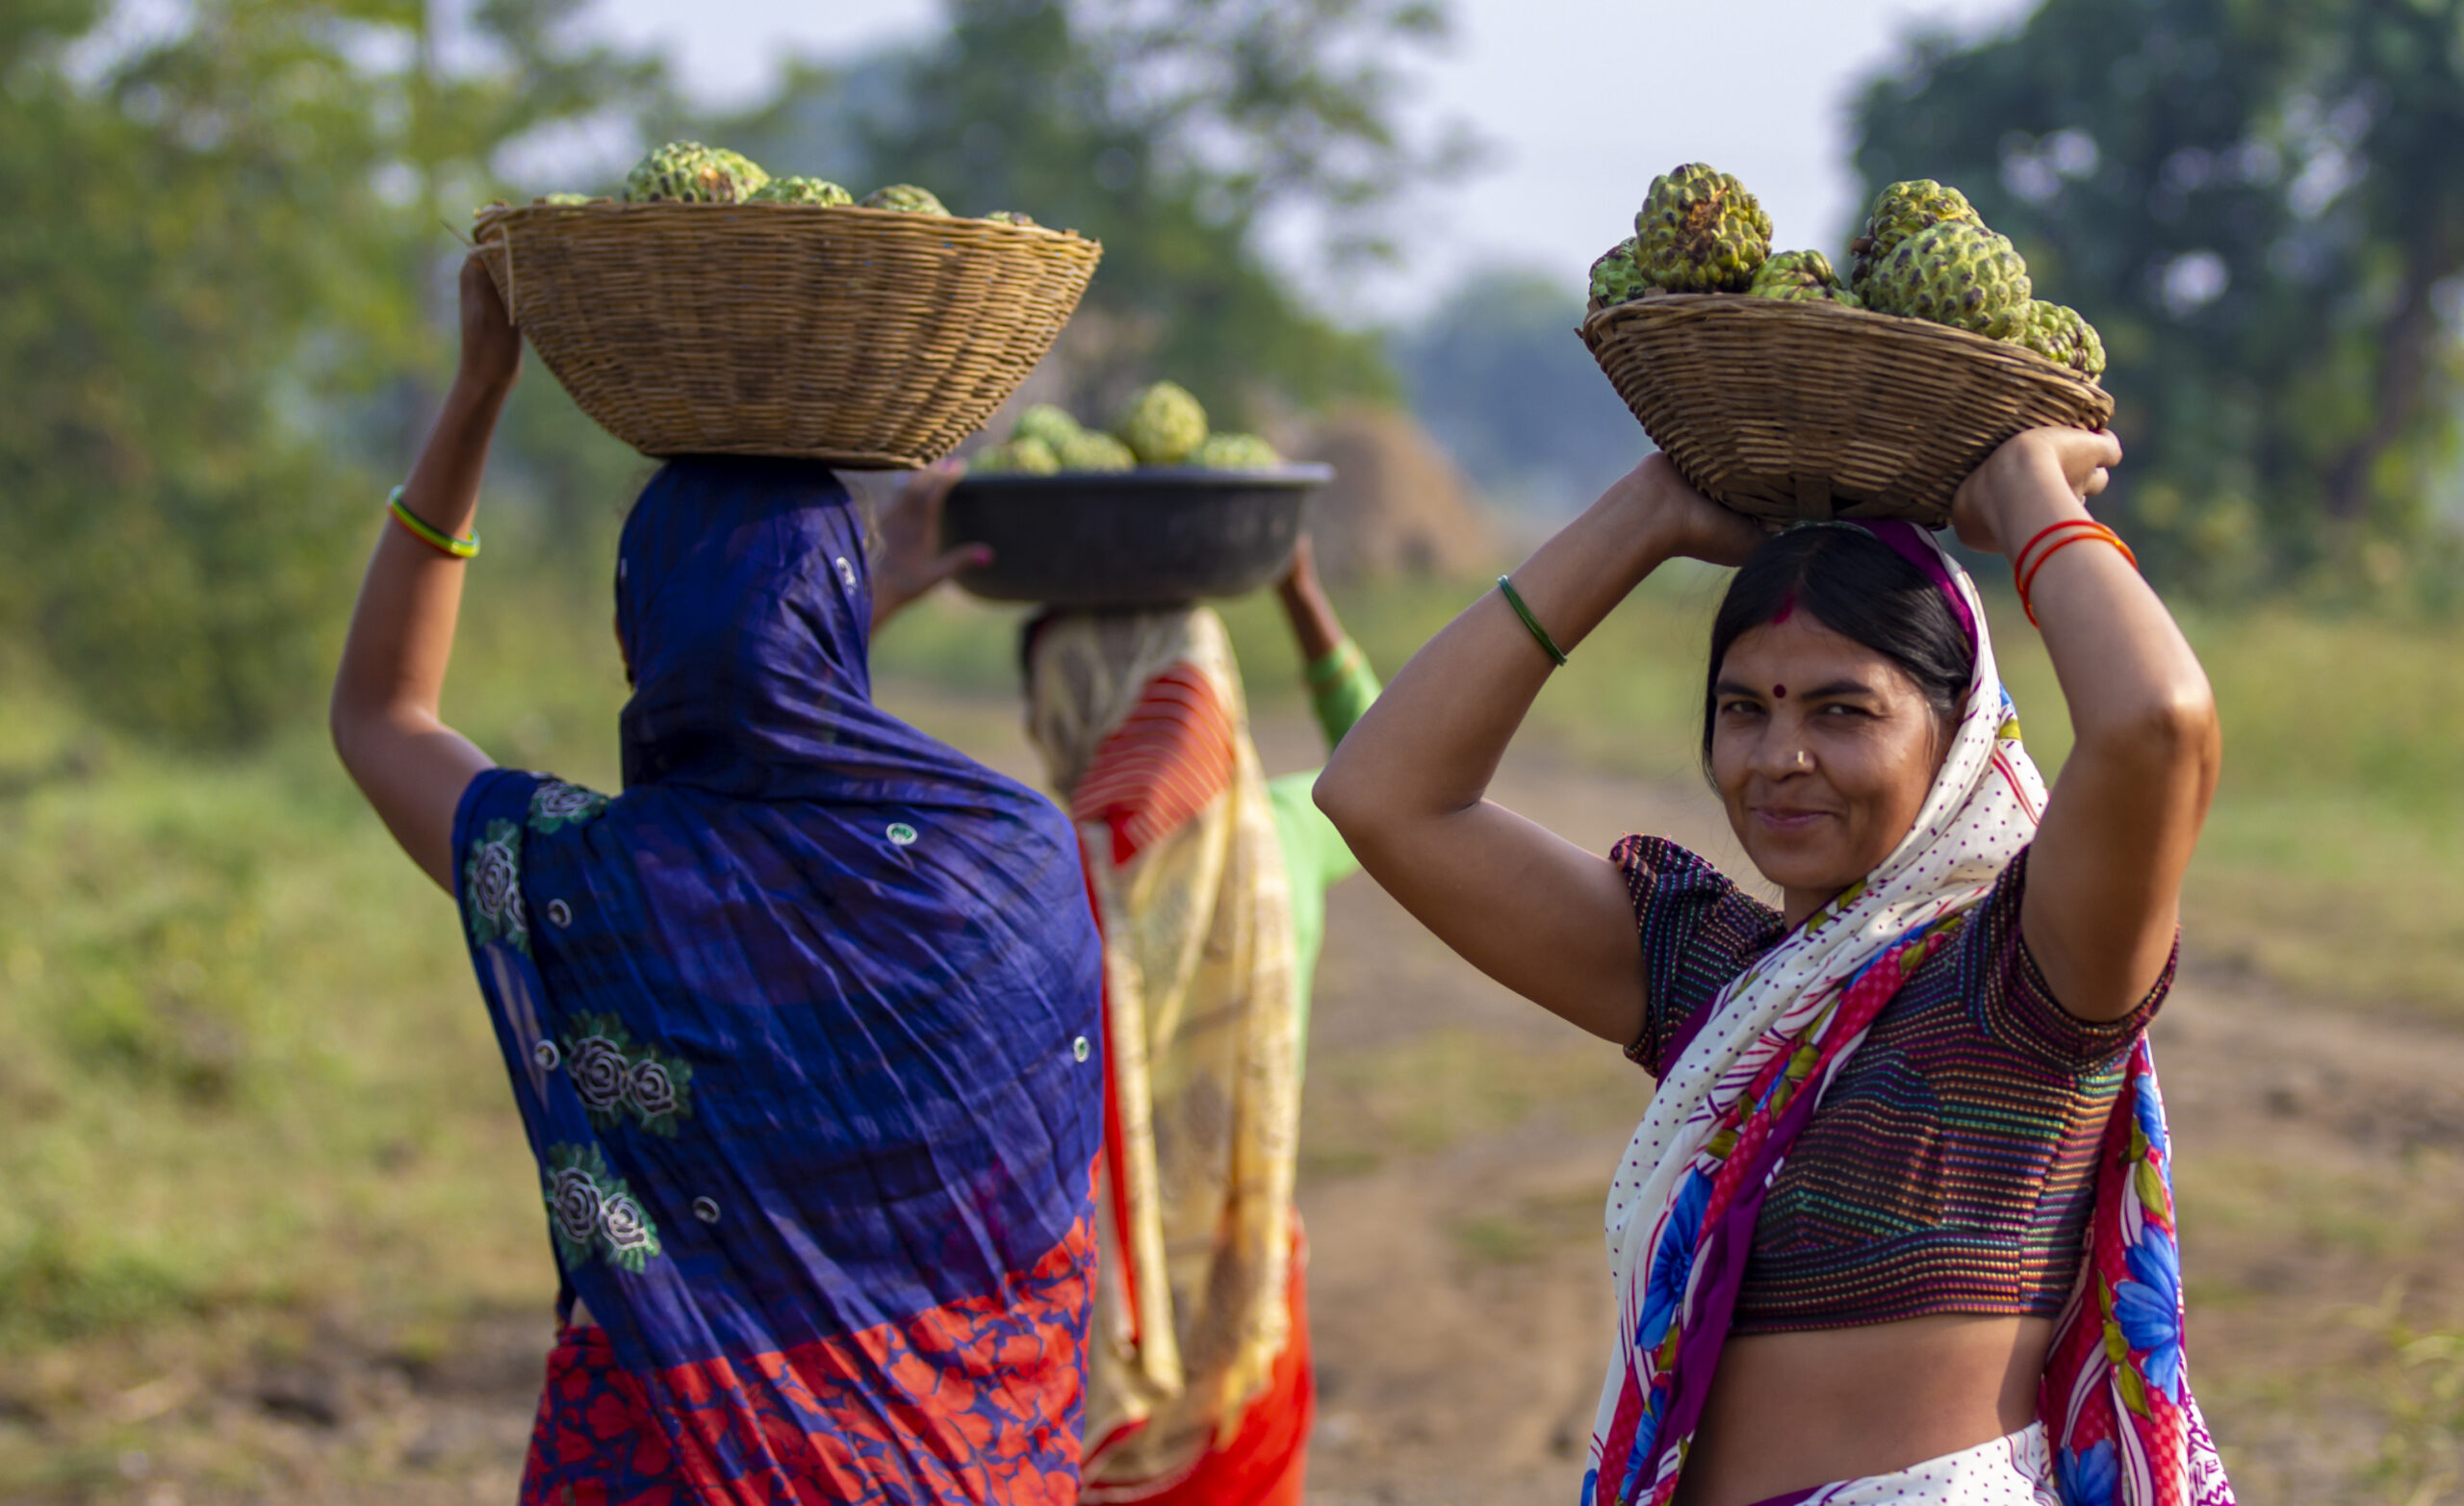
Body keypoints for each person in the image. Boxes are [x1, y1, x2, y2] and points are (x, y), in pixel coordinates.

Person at [1314, 431, 2233, 1506]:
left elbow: (2157, 724)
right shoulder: (1718, 978)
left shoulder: (2027, 989)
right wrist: (1645, 516)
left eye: (1842, 711)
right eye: (1743, 708)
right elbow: (1381, 795)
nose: (1777, 758)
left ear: (1960, 732)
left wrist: (2023, 491)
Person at [329, 254, 1107, 1506]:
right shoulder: (1016, 855)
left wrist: (477, 394)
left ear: (634, 636)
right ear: (841, 633)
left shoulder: (592, 876)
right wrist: (864, 600)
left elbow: (380, 713)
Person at [1012, 539, 1378, 1506]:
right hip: (1244, 1282)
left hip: (1084, 1314)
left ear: (1064, 705)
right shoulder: (1283, 838)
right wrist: (1302, 595)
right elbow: (1389, 760)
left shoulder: (1025, 876)